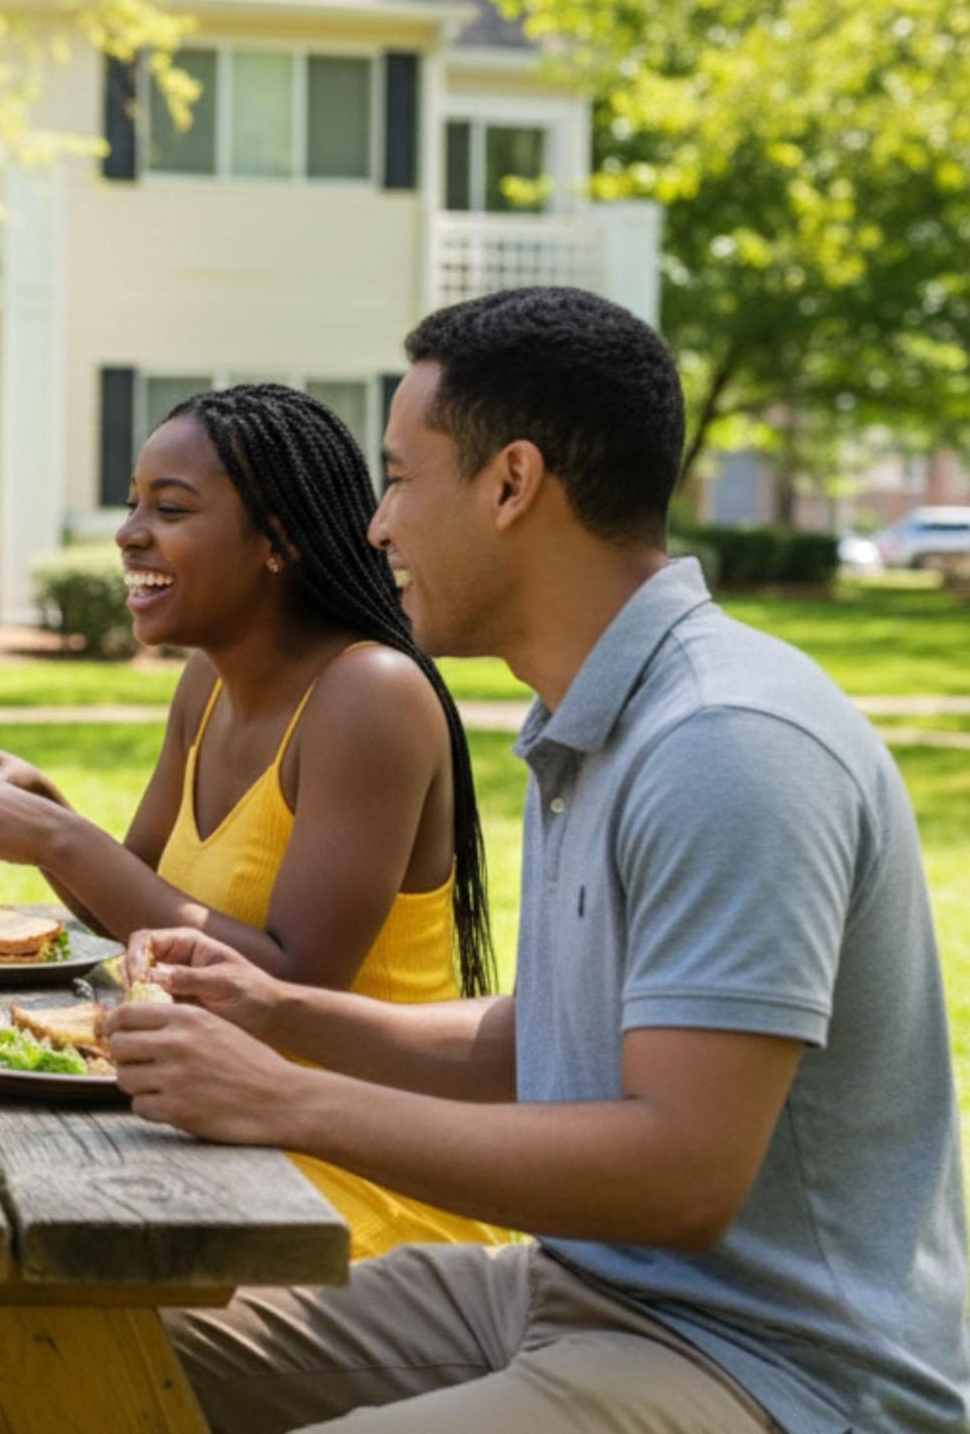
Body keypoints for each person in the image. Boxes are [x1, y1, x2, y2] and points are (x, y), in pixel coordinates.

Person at [112, 286, 970, 1431]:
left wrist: (286, 1098)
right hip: (576, 1289)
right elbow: (543, 1040)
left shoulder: (724, 743)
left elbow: (680, 1173)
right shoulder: (593, 719)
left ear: (512, 483)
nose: (376, 526)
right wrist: (272, 1009)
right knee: (77, 1328)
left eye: (402, 477)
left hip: (775, 1371)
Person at [0, 383, 506, 1433]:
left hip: (352, 1175)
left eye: (171, 507)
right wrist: (41, 807)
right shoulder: (209, 686)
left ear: (275, 537)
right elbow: (124, 915)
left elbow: (291, 982)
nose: (130, 533)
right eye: (133, 501)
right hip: (213, 1125)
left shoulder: (371, 695)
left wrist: (62, 836)